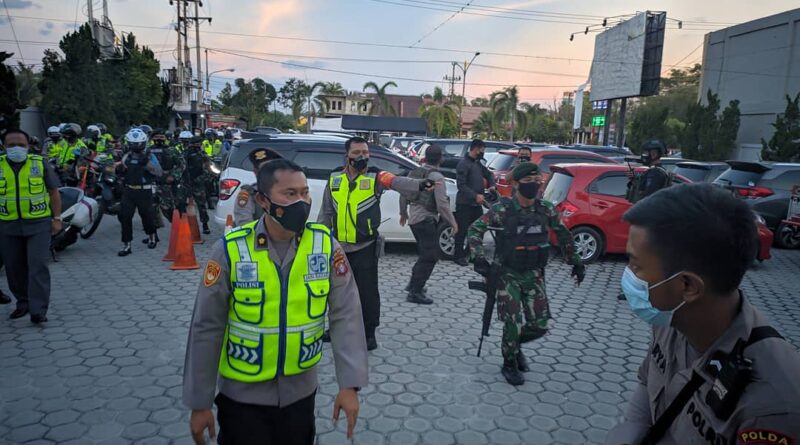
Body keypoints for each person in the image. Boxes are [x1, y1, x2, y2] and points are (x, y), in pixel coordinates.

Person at [183, 159, 368, 445]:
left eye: (305, 193)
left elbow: (347, 315)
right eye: (290, 194)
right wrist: (200, 402)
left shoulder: (325, 246)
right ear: (263, 200)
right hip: (241, 398)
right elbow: (206, 326)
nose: (302, 202)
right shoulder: (231, 251)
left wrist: (350, 385)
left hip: (301, 396)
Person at [606, 183, 800, 445]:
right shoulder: (671, 318)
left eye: (635, 265)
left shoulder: (773, 404)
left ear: (688, 286)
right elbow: (647, 380)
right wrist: (632, 430)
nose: (627, 275)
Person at [467, 162, 585, 385]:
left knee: (539, 325)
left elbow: (564, 235)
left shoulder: (546, 209)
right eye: (528, 182)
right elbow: (475, 230)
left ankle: (515, 344)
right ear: (516, 184)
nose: (534, 186)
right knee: (512, 321)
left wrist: (576, 263)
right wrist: (479, 258)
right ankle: (509, 363)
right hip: (507, 274)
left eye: (537, 182)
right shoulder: (503, 210)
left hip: (534, 274)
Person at [318, 136, 434, 350]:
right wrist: (319, 241)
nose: (362, 157)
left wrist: (419, 184)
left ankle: (368, 334)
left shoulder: (376, 176)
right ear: (347, 156)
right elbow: (326, 211)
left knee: (367, 293)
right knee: (336, 292)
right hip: (338, 249)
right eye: (357, 153)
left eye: (365, 153)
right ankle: (335, 329)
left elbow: (397, 182)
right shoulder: (334, 178)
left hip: (364, 247)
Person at [0, 129, 62, 323]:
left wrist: (57, 218)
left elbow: (53, 192)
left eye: (21, 145)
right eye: (11, 145)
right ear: (3, 147)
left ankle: (38, 310)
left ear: (28, 146)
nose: (16, 149)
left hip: (38, 224)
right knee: (13, 268)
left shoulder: (39, 163)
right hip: (7, 224)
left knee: (37, 265)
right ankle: (23, 303)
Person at [399, 144, 457, 305]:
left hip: (414, 220)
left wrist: (403, 212)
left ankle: (413, 284)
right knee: (430, 256)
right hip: (426, 220)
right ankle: (415, 291)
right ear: (441, 159)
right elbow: (442, 204)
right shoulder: (437, 177)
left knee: (425, 253)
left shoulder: (414, 172)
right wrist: (453, 222)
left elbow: (404, 193)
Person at [117, 128, 162, 256]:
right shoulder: (126, 156)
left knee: (147, 216)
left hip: (144, 191)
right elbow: (120, 167)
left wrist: (146, 164)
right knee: (125, 217)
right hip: (129, 190)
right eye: (132, 144)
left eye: (138, 144)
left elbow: (158, 172)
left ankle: (152, 236)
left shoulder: (149, 155)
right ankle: (127, 245)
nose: (135, 146)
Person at [453, 139, 495, 266]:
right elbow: (461, 185)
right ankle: (458, 256)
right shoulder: (463, 164)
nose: (483, 152)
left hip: (477, 204)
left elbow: (489, 174)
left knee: (477, 230)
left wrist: (492, 185)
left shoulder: (477, 163)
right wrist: (474, 195)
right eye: (482, 150)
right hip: (464, 203)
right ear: (476, 149)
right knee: (462, 231)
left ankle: (471, 254)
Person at [149, 128, 185, 228]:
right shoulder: (148, 151)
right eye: (156, 137)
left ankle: (179, 227)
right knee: (150, 208)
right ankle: (153, 236)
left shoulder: (172, 150)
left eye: (161, 137)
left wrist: (173, 176)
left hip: (166, 183)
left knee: (168, 208)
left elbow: (181, 164)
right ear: (152, 138)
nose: (159, 139)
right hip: (151, 182)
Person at [232, 148, 276, 226]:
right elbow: (245, 224)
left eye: (270, 169)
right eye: (263, 170)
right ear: (256, 172)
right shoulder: (249, 193)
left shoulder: (286, 191)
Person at [626, 139, 671, 204]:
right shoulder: (652, 171)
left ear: (654, 154)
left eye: (646, 153)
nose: (644, 156)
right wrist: (633, 179)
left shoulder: (656, 174)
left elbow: (648, 197)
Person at [182, 136, 212, 234]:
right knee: (183, 205)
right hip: (186, 183)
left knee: (201, 205)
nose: (198, 145)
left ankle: (205, 225)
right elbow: (180, 168)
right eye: (196, 143)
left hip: (198, 183)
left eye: (199, 143)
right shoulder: (185, 154)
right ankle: (184, 226)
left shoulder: (202, 154)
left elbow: (208, 169)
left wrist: (200, 179)